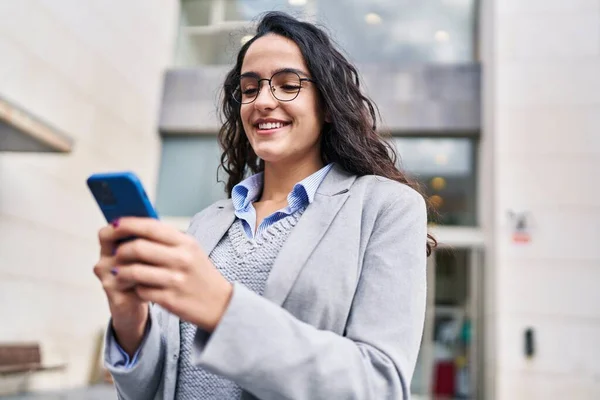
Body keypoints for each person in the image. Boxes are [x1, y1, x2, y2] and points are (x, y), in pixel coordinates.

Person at [94, 11, 435, 400]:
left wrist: (224, 309)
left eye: (288, 85)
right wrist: (130, 321)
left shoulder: (385, 207)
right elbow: (154, 387)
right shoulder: (208, 223)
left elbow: (381, 386)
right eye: (250, 88)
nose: (263, 101)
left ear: (326, 104)